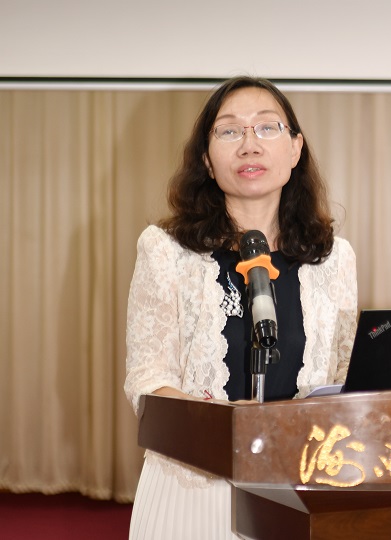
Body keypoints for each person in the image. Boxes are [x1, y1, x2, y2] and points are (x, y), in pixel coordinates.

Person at [124, 76, 358, 539]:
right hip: (192, 489)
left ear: (295, 148)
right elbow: (147, 383)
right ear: (207, 160)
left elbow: (346, 375)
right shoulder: (165, 250)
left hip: (301, 486)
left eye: (267, 127)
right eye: (230, 131)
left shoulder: (334, 259)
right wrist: (231, 427)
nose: (250, 144)